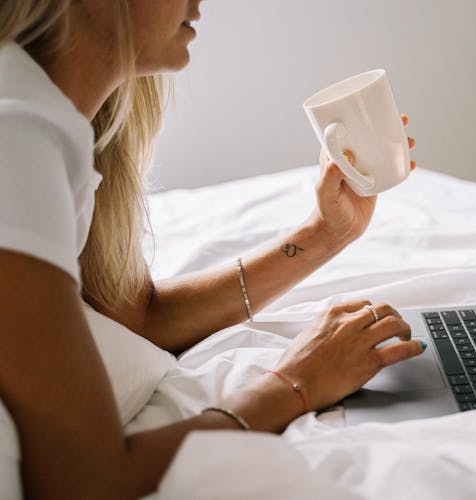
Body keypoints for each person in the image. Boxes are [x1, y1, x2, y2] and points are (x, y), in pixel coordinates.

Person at [0, 1, 423, 498]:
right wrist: (293, 384)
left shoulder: (45, 120)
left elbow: (137, 318)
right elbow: (86, 483)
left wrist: (326, 234)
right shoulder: (17, 138)